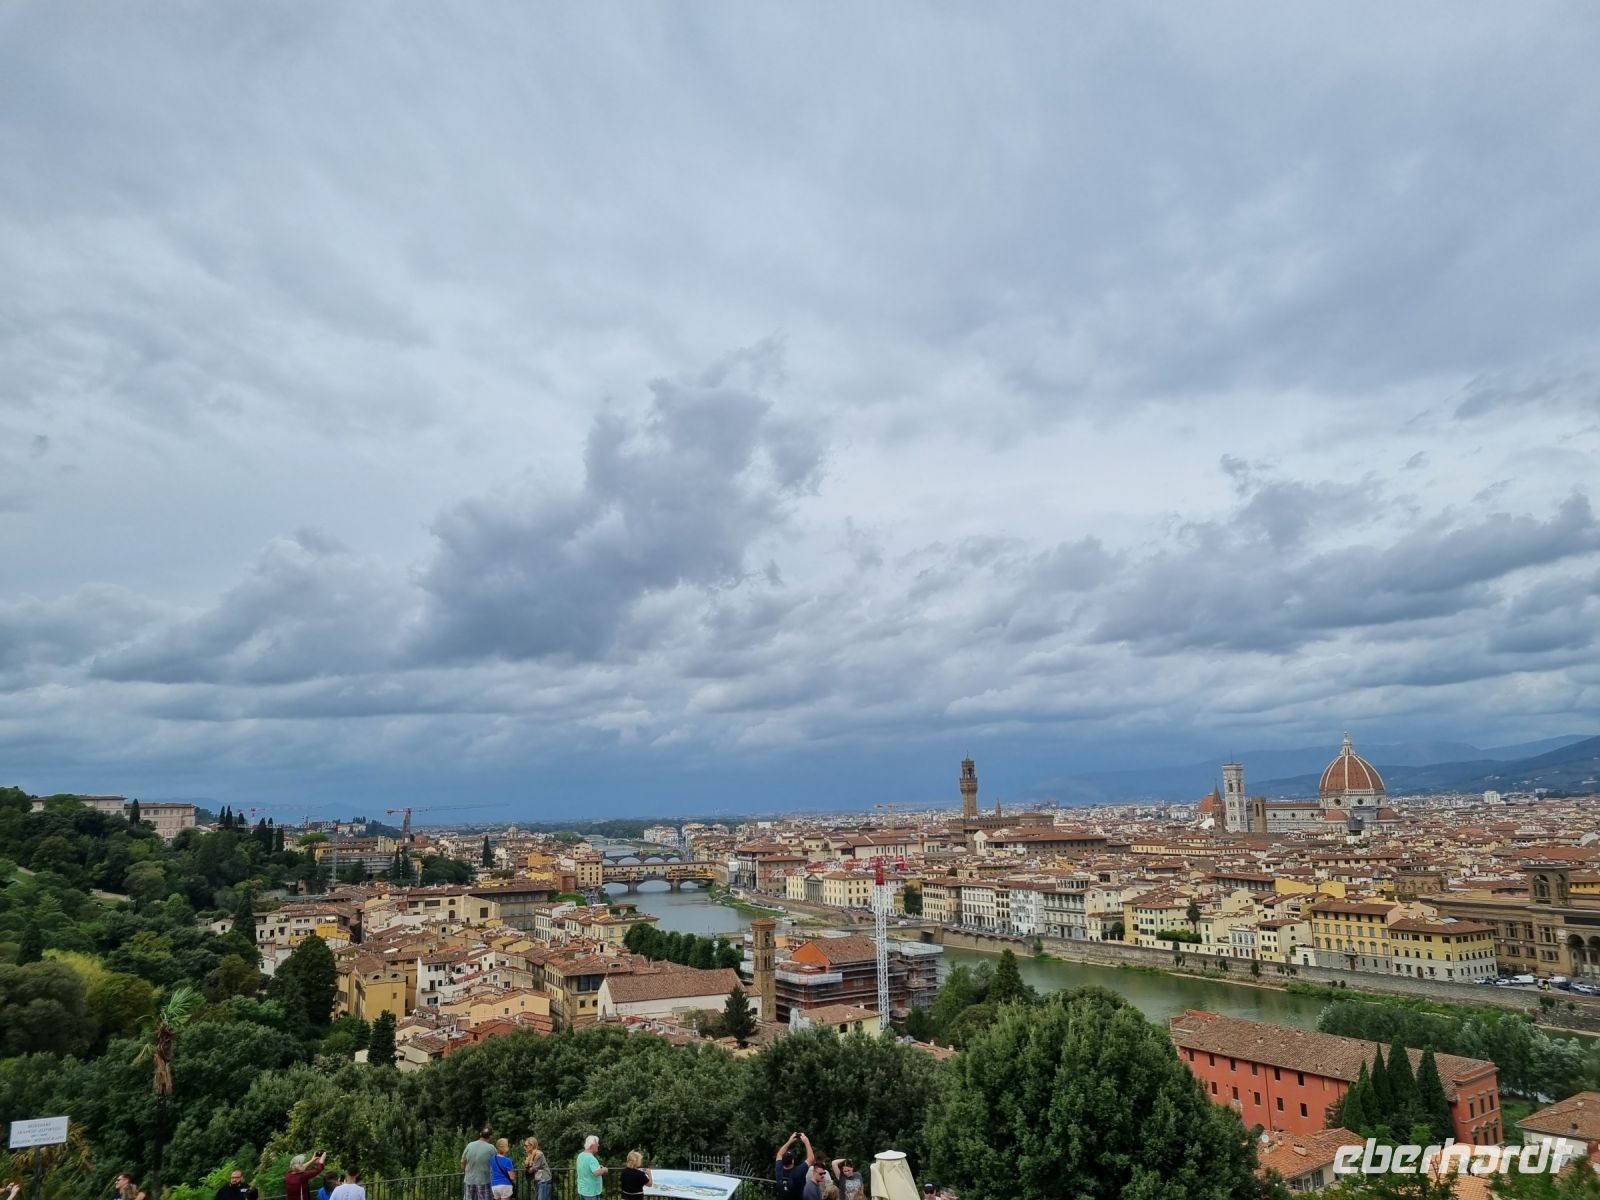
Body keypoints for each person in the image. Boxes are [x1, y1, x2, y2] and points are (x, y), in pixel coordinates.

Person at [462, 1127, 498, 1200]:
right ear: (490, 1136)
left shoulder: (470, 1145)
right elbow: (496, 1164)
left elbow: (462, 1161)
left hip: (469, 1180)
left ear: (480, 1134)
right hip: (484, 1181)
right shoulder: (491, 1148)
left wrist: (465, 1172)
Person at [774, 1133, 812, 1200]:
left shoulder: (779, 1170)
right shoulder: (798, 1172)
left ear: (782, 1161)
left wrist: (790, 1141)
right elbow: (811, 1158)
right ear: (792, 1161)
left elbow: (779, 1154)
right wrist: (806, 1141)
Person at [577, 1135, 607, 1200]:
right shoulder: (591, 1158)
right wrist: (604, 1169)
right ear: (592, 1145)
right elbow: (596, 1173)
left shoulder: (580, 1155)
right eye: (597, 1144)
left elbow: (586, 1168)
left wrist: (598, 1167)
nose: (598, 1145)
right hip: (591, 1192)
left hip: (582, 1190)